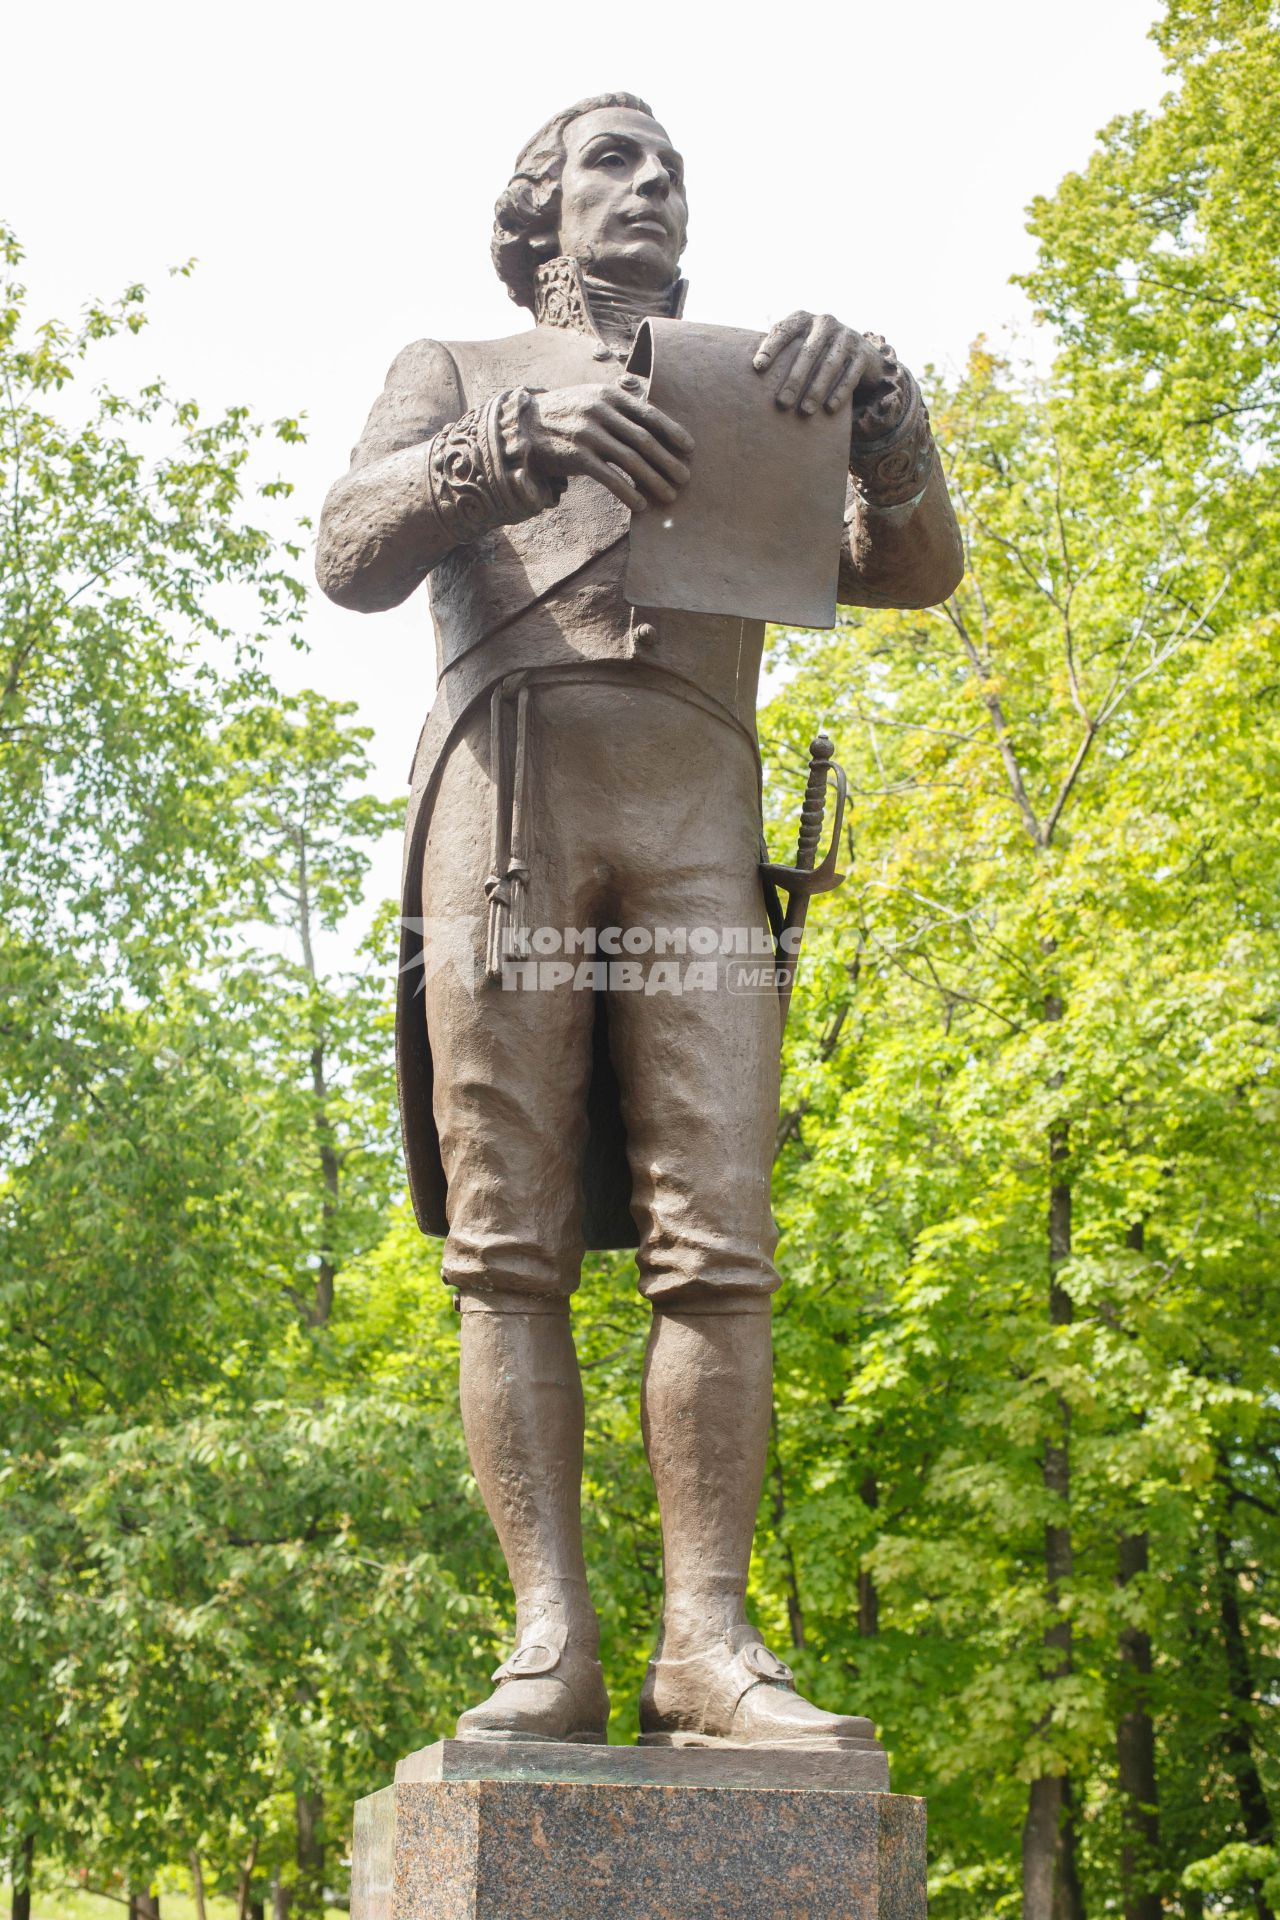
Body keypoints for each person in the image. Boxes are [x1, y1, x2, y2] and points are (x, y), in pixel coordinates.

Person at [317, 92, 962, 1748]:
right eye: (614, 159)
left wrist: (888, 419)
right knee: (505, 1241)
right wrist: (506, 448)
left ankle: (706, 1646)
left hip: (699, 817)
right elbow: (347, 551)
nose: (654, 181)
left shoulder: (760, 384)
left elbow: (911, 570)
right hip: (507, 811)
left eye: (671, 166)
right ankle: (552, 1639)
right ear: (536, 214)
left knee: (718, 1244)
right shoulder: (452, 366)